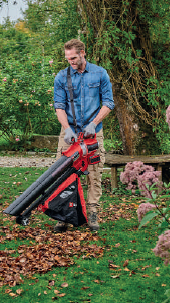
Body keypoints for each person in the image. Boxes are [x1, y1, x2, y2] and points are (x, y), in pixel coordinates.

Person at [53, 39, 115, 232]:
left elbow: (109, 103)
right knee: (62, 173)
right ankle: (63, 215)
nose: (70, 61)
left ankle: (93, 214)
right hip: (69, 131)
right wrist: (67, 128)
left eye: (73, 57)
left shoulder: (99, 73)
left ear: (83, 53)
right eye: (67, 58)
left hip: (93, 132)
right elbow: (59, 106)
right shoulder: (62, 77)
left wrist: (94, 123)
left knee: (94, 174)